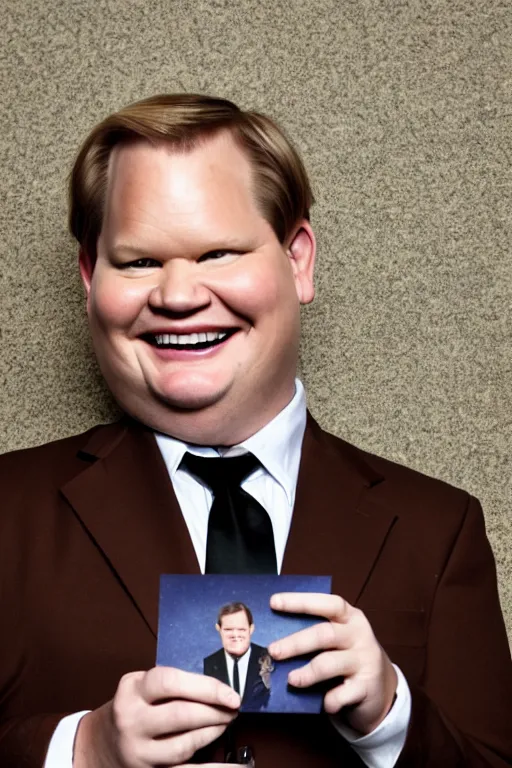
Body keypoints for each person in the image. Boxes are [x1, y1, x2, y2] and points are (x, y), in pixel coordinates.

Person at [0, 93, 510, 768]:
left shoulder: (437, 528)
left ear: (297, 260)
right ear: (91, 277)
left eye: (218, 252)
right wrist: (81, 751)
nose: (178, 296)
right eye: (139, 261)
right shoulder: (8, 509)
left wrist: (391, 717)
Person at [203, 602, 272, 711]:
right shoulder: (208, 664)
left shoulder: (270, 659)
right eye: (228, 629)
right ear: (218, 629)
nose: (235, 635)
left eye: (241, 629)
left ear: (251, 629)